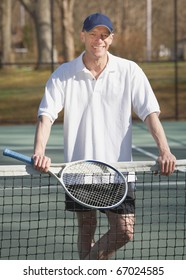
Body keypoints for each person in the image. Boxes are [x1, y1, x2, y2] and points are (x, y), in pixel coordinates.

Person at [33, 13, 176, 260]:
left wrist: (165, 150)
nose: (98, 41)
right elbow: (46, 115)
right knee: (86, 229)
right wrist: (39, 151)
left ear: (111, 39)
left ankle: (84, 270)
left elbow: (150, 113)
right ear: (82, 36)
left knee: (124, 231)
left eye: (104, 35)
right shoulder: (64, 73)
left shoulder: (130, 70)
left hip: (118, 171)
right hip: (79, 170)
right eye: (92, 35)